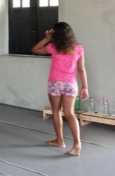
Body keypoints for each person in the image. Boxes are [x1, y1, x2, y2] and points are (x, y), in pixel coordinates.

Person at [32, 22, 88, 156]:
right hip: (70, 84)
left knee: (56, 111)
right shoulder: (78, 48)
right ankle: (77, 145)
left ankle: (60, 140)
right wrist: (85, 86)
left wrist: (47, 38)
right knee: (70, 113)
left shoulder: (52, 47)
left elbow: (35, 49)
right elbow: (81, 69)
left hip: (55, 83)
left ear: (55, 34)